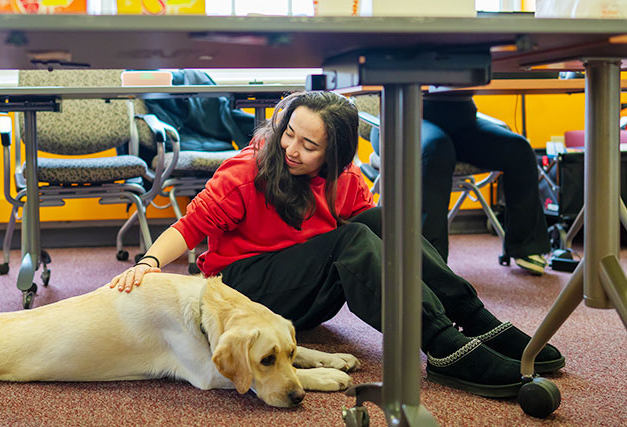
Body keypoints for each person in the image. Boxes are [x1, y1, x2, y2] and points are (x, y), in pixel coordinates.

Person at [110, 91, 564, 398]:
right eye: (289, 133)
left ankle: (474, 318)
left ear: (335, 154)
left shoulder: (341, 178)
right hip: (245, 292)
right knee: (349, 240)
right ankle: (441, 344)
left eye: (309, 145)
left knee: (381, 219)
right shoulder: (246, 172)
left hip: (302, 297)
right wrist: (148, 261)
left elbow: (382, 238)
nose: (291, 148)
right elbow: (190, 227)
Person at [370, 95, 550, 275]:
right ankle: (430, 260)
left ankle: (526, 245)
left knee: (519, 149)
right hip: (402, 118)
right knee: (437, 149)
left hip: (462, 124)